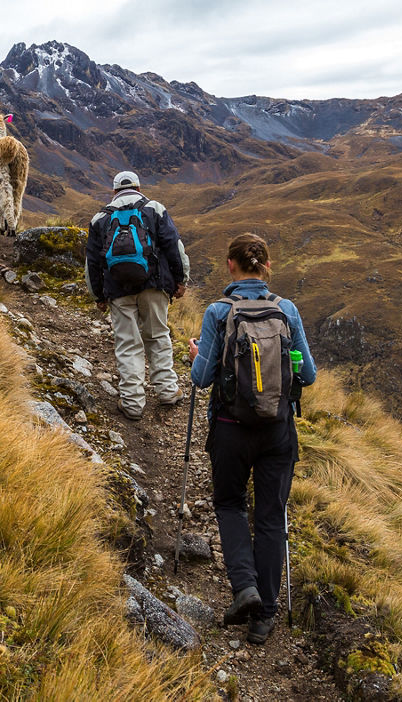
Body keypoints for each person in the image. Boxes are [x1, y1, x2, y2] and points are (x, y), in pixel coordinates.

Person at [188, 233, 316, 645]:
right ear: (265, 266)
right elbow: (309, 376)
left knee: (229, 504)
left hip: (230, 429)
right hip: (278, 431)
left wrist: (197, 357)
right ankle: (266, 615)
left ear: (231, 266)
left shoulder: (218, 312)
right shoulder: (287, 310)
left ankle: (244, 587)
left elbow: (201, 378)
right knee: (270, 517)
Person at [85, 170, 189, 420]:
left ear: (114, 191)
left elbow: (91, 263)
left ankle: (132, 403)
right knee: (158, 336)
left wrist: (98, 295)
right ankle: (167, 391)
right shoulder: (154, 209)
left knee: (128, 343)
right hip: (154, 286)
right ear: (139, 188)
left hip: (118, 290)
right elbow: (174, 246)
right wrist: (180, 279)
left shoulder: (100, 217)